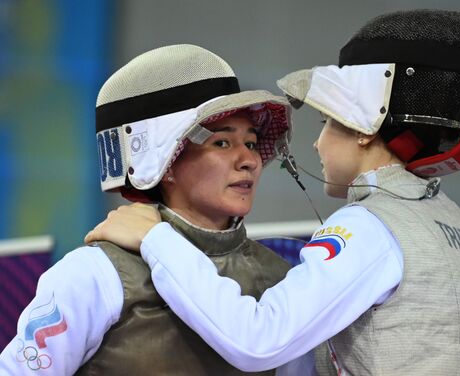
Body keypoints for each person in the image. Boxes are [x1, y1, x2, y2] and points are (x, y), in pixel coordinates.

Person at [84, 10, 460, 376]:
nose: (316, 141)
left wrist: (154, 239)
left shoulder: (369, 228)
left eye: (327, 121)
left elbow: (257, 341)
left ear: (365, 130)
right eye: (222, 142)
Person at [0, 44, 299, 375]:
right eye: (222, 143)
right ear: (166, 163)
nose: (249, 161)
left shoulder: (281, 277)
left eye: (252, 143)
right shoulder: (95, 275)